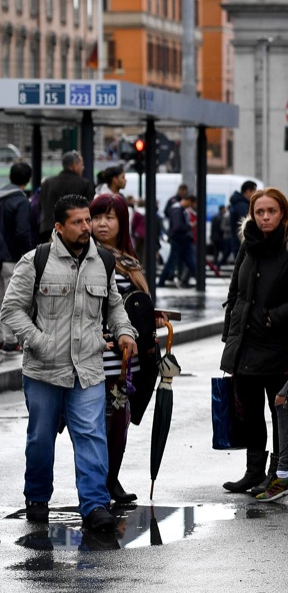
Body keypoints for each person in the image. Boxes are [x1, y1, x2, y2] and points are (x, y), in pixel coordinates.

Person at [0, 194, 138, 532]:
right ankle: (37, 496)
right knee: (41, 438)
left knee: (92, 435)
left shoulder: (103, 261)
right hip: (44, 370)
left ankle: (94, 505)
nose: (86, 228)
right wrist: (41, 341)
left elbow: (114, 306)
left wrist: (125, 331)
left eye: (87, 220)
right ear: (59, 227)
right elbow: (11, 310)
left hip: (88, 368)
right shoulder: (36, 261)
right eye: (78, 222)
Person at [219, 188, 288, 500]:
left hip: (278, 344)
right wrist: (229, 332)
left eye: (271, 211)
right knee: (248, 409)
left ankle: (279, 471)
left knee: (279, 411)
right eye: (259, 212)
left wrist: (275, 316)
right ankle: (254, 469)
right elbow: (236, 290)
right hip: (245, 341)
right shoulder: (249, 242)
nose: (264, 218)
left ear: (283, 212)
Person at [89, 193, 166, 505]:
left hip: (128, 359)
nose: (102, 224)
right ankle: (99, 484)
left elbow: (133, 305)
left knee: (119, 424)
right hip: (99, 357)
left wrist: (150, 317)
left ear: (122, 221)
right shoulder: (88, 257)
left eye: (110, 217)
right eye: (96, 217)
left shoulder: (128, 260)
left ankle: (110, 480)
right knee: (99, 427)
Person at [0, 162, 34, 353]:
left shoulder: (1, 196)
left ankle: (3, 339)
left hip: (1, 255)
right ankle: (11, 341)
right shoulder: (21, 201)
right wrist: (29, 253)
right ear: (27, 180)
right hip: (12, 257)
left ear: (11, 177)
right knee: (13, 300)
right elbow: (22, 232)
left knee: (1, 298)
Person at [38, 151, 95, 241]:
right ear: (74, 165)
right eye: (81, 165)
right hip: (75, 235)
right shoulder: (84, 184)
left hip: (48, 233)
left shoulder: (47, 183)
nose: (83, 168)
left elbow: (41, 206)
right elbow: (89, 209)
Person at [157, 193, 197, 288]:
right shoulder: (177, 210)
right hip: (180, 240)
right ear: (189, 201)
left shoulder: (179, 209)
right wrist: (189, 226)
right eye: (192, 204)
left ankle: (161, 282)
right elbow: (177, 226)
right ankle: (161, 282)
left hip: (182, 240)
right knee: (175, 262)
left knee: (190, 262)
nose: (192, 207)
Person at [229, 180, 258, 259]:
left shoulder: (238, 203)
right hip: (242, 241)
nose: (256, 194)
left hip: (238, 240)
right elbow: (248, 222)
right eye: (255, 191)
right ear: (248, 191)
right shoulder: (242, 206)